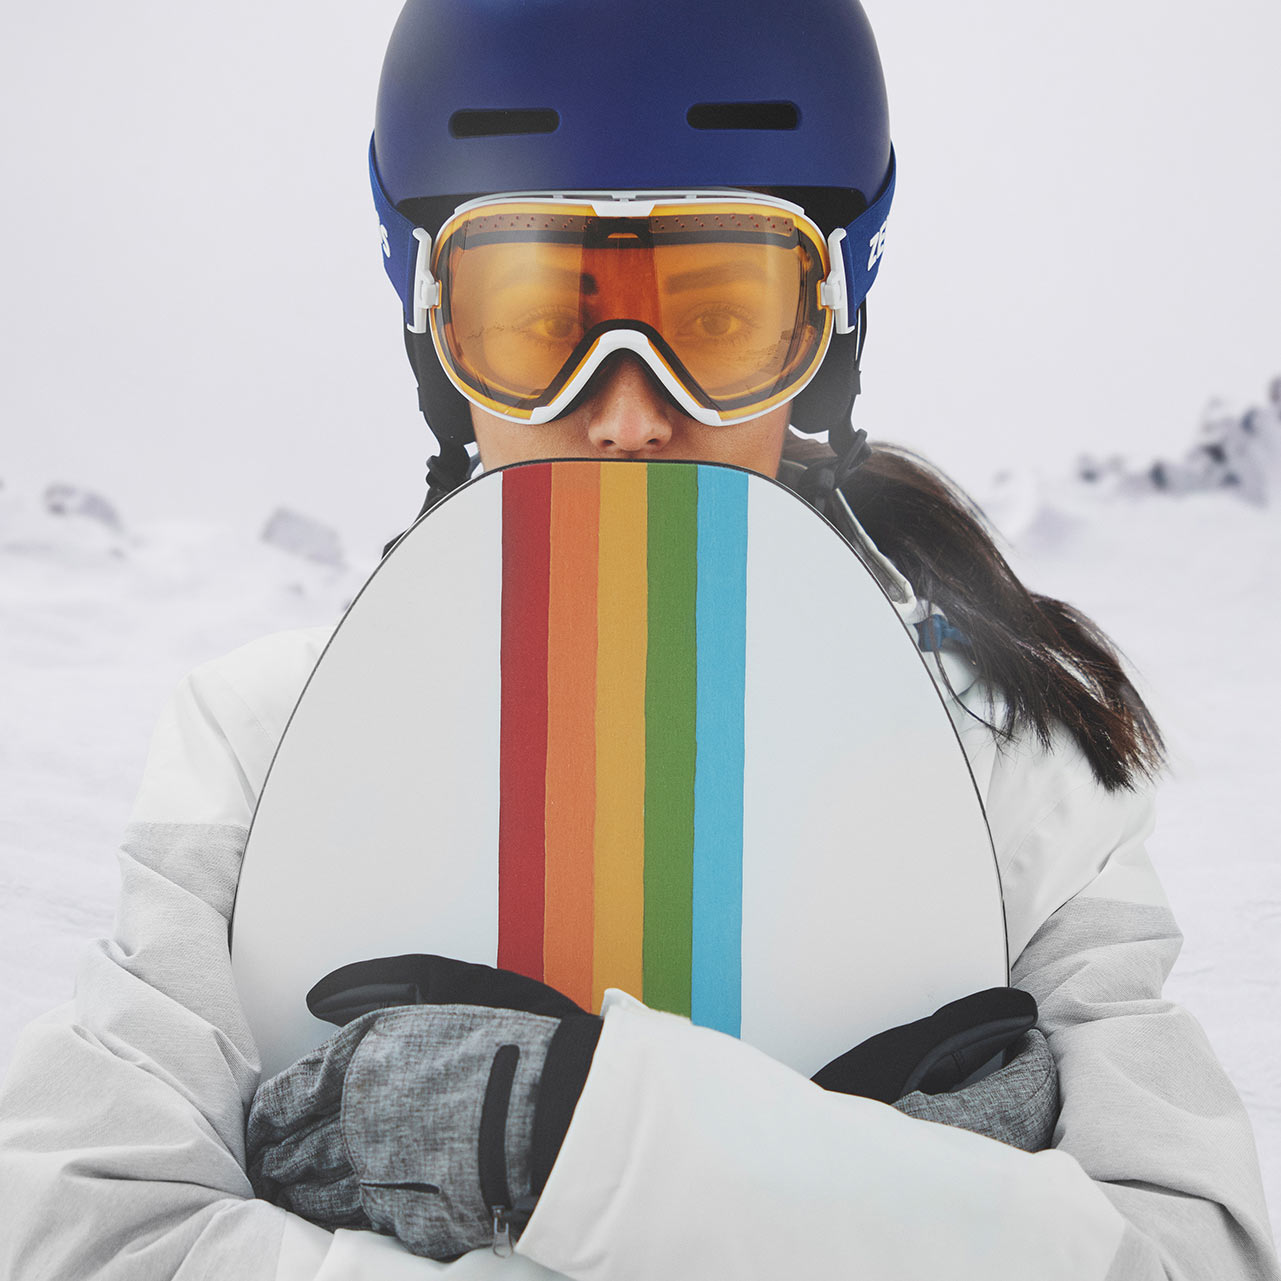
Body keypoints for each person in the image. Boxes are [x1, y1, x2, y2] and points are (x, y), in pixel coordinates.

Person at [1, 0, 1277, 1277]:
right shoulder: (262, 739)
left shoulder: (1013, 766)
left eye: (717, 324)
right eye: (534, 323)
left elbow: (1193, 1255)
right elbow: (89, 1233)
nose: (624, 413)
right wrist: (879, 1204)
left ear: (826, 327)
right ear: (438, 335)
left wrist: (562, 1142)